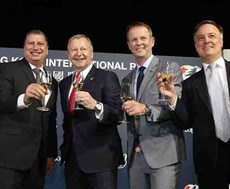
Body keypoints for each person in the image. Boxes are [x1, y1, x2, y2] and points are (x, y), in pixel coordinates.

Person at [157, 19, 230, 189]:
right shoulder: (189, 84)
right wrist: (173, 98)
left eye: (211, 36)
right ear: (196, 45)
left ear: (221, 40)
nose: (206, 41)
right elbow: (185, 122)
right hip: (209, 159)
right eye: (200, 38)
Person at [121, 21, 186, 189]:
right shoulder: (127, 79)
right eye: (134, 39)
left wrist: (146, 109)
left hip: (163, 155)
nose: (139, 42)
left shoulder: (168, 69)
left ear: (153, 41)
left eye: (143, 38)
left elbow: (172, 106)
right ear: (129, 45)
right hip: (136, 158)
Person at [59, 34, 124, 189]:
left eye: (83, 49)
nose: (78, 53)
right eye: (74, 50)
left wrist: (96, 105)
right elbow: (68, 121)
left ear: (92, 53)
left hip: (101, 160)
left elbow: (117, 114)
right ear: (69, 55)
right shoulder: (65, 83)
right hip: (73, 161)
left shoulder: (107, 77)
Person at [0, 30, 58, 189]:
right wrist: (23, 99)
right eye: (31, 43)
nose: (35, 47)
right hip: (10, 157)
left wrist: (50, 154)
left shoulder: (51, 81)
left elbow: (50, 118)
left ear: (47, 49)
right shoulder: (7, 69)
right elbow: (2, 101)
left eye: (40, 44)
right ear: (24, 47)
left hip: (39, 159)